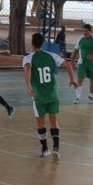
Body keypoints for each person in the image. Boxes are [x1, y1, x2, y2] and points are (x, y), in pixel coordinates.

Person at [24, 32, 78, 160]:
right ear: (43, 43)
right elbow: (68, 65)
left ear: (32, 43)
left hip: (39, 96)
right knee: (54, 121)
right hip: (53, 94)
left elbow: (27, 69)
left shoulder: (28, 58)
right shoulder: (52, 56)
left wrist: (28, 86)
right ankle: (56, 147)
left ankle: (44, 149)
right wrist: (72, 79)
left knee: (41, 123)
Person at [71, 23, 93, 104]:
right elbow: (75, 50)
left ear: (90, 31)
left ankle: (91, 96)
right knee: (80, 80)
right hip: (82, 63)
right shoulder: (80, 39)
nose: (84, 33)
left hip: (92, 63)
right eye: (83, 31)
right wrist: (72, 61)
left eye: (86, 31)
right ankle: (78, 97)